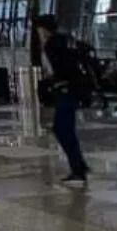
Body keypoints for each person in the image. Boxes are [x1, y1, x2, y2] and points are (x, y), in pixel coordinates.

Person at [40, 20, 90, 185]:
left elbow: (58, 68)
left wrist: (56, 80)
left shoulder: (52, 44)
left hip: (65, 89)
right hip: (75, 89)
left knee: (62, 129)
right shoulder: (68, 40)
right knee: (66, 129)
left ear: (44, 30)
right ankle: (79, 165)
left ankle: (78, 169)